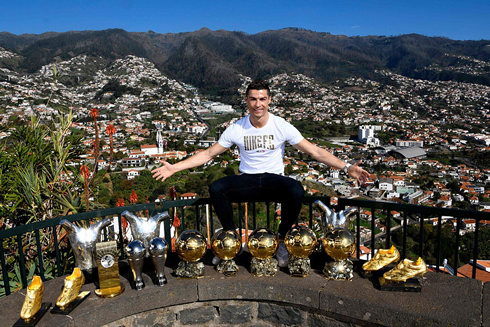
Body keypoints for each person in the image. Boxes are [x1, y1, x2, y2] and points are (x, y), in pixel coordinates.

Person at [152, 80, 369, 266]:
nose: (258, 104)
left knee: (295, 189)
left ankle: (282, 242)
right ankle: (232, 242)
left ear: (269, 100)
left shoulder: (281, 126)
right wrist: (175, 167)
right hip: (247, 180)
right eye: (253, 99)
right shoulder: (237, 128)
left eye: (262, 99)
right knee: (217, 188)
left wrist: (346, 167)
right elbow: (209, 153)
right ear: (247, 101)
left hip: (273, 180)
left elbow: (313, 150)